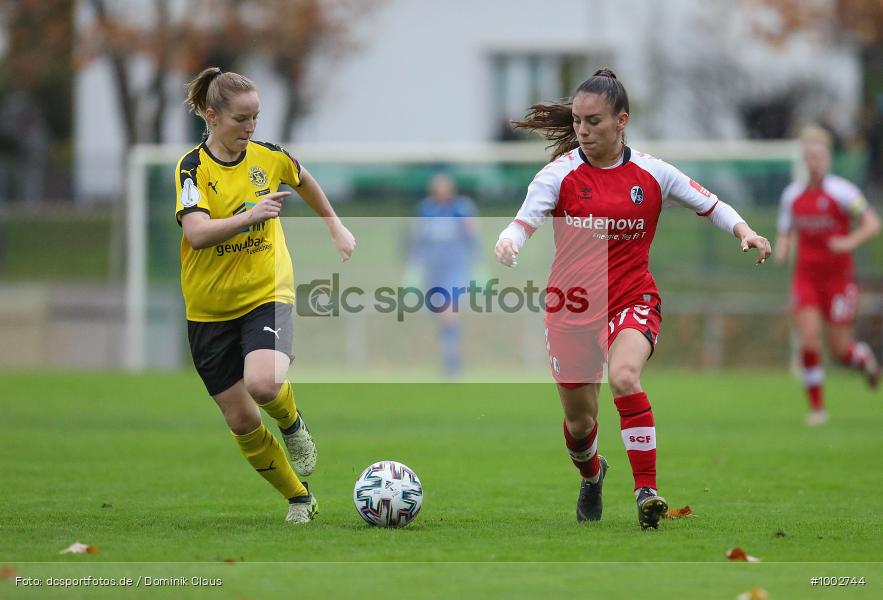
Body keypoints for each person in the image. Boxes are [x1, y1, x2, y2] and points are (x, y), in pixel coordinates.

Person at [494, 69, 771, 529]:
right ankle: (592, 471)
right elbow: (524, 220)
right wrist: (509, 241)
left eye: (594, 121)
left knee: (625, 376)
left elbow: (711, 204)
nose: (583, 130)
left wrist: (745, 231)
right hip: (571, 309)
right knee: (581, 427)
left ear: (622, 120)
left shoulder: (653, 173)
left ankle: (647, 491)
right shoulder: (559, 174)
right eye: (578, 121)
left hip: (631, 297)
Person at [175, 67, 356, 523]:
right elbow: (197, 234)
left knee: (263, 384)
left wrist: (334, 225)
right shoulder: (192, 168)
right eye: (241, 119)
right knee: (241, 421)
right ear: (212, 117)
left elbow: (303, 179)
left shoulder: (269, 157)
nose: (251, 128)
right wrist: (251, 216)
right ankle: (300, 497)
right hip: (208, 309)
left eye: (256, 118)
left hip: (265, 291)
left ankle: (293, 424)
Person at [774, 125, 881, 426]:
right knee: (808, 338)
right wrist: (780, 251)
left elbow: (873, 224)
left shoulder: (843, 191)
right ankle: (817, 408)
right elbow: (785, 232)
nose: (814, 161)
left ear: (828, 158)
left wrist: (848, 242)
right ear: (804, 159)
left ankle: (863, 358)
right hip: (806, 277)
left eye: (819, 156)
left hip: (839, 280)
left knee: (839, 351)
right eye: (809, 156)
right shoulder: (791, 195)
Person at [407, 173, 479, 377]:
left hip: (454, 269)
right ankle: (449, 356)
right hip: (432, 272)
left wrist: (478, 268)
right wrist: (413, 270)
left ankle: (452, 362)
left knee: (449, 313)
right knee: (441, 316)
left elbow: (473, 237)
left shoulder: (461, 208)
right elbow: (417, 242)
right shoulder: (426, 210)